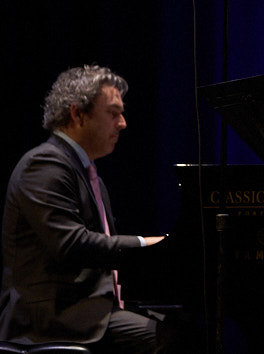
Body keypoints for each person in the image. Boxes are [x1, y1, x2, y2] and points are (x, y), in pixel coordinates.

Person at [0, 65, 168, 352]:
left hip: (88, 308)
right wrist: (146, 244)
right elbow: (72, 244)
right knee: (169, 339)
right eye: (113, 113)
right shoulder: (43, 164)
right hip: (49, 318)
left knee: (187, 327)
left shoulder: (88, 174)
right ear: (78, 114)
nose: (123, 123)